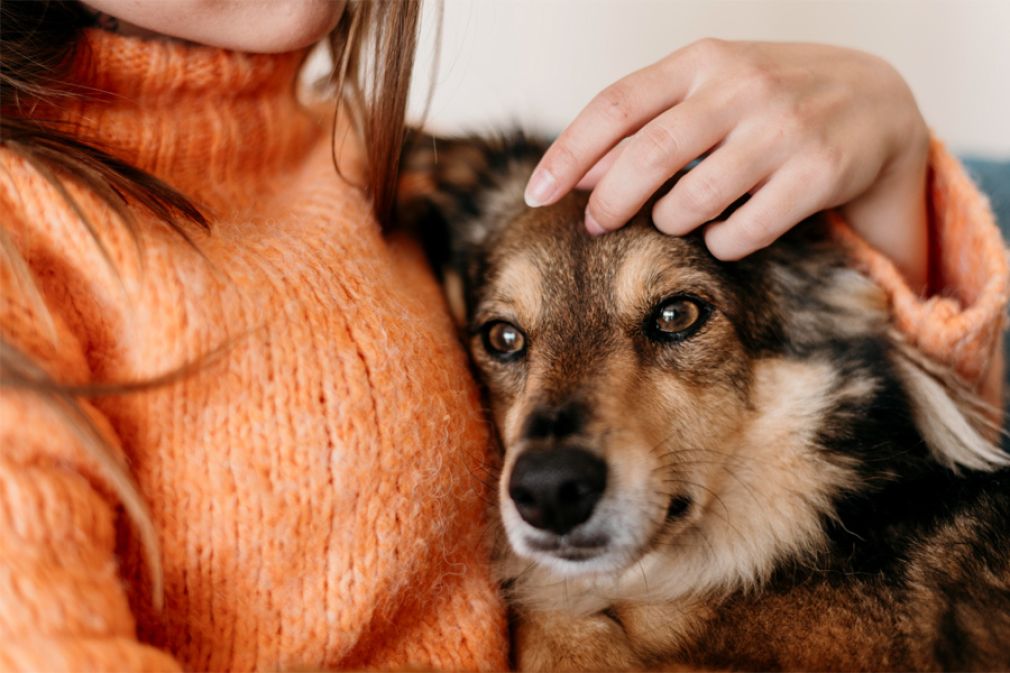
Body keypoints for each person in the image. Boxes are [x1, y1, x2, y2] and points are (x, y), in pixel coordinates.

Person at [0, 2, 1005, 672]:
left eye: (670, 317)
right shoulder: (23, 242)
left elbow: (911, 459)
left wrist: (883, 166)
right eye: (503, 340)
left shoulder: (408, 180)